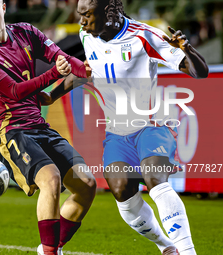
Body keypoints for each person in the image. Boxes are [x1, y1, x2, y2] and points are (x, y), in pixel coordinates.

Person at [45, 0, 208, 254]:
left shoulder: (145, 36)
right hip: (117, 134)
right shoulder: (87, 37)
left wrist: (187, 49)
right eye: (80, 15)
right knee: (122, 191)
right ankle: (166, 246)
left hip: (151, 125)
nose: (81, 21)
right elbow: (87, 72)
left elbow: (200, 72)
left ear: (107, 13)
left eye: (87, 15)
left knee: (155, 178)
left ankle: (188, 251)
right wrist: (50, 96)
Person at [0, 1, 96, 255]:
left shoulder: (26, 32)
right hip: (10, 129)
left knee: (87, 185)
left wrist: (90, 68)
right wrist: (53, 75)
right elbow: (13, 91)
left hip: (38, 124)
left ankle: (51, 248)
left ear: (3, 8)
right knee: (51, 179)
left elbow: (65, 59)